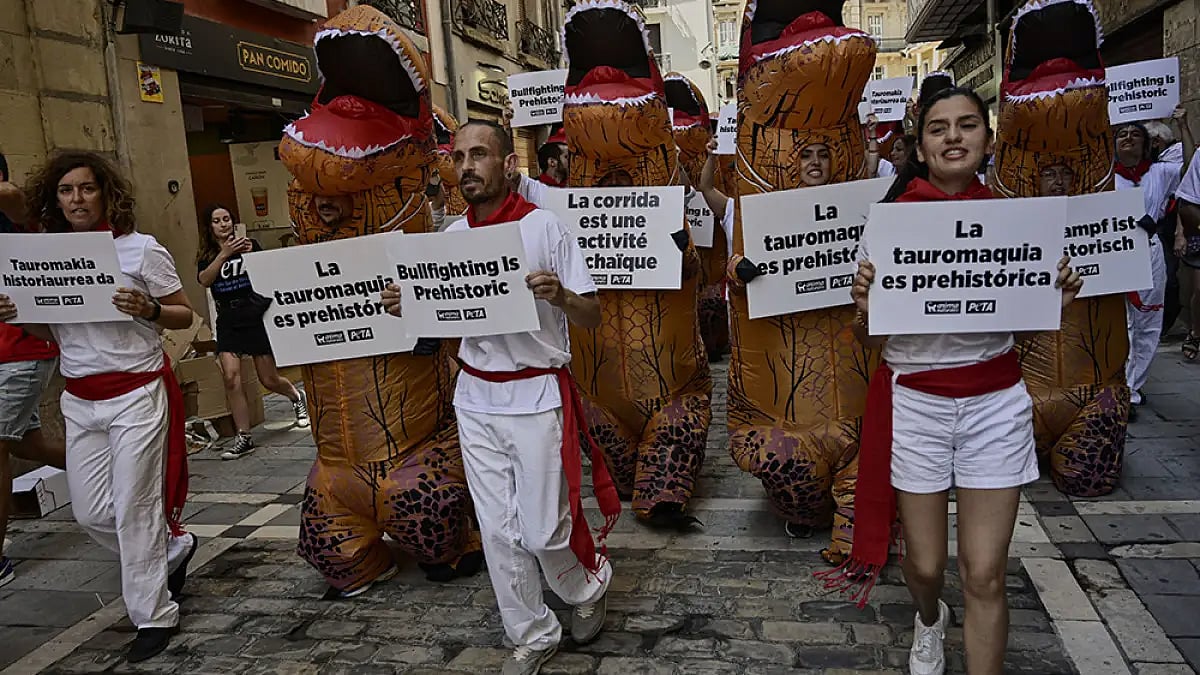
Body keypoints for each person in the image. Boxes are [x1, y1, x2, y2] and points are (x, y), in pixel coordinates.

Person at [846, 88, 1082, 675]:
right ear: (920, 148)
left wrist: (1057, 294)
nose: (953, 137)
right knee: (925, 566)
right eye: (938, 128)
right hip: (917, 407)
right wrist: (864, 309)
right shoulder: (888, 226)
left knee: (984, 571)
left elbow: (1031, 334)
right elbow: (868, 341)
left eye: (968, 125)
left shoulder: (1019, 226)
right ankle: (929, 618)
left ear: (988, 141)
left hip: (995, 406)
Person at [382, 120, 617, 675]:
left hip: (536, 393)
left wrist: (560, 295)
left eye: (479, 154)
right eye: (459, 156)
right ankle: (533, 632)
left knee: (542, 529)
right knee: (497, 529)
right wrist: (407, 306)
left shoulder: (546, 229)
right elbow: (440, 320)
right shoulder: (450, 241)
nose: (466, 166)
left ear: (508, 165)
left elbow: (594, 315)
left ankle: (587, 582)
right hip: (476, 397)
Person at [0, 151, 198, 662]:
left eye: (86, 188)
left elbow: (184, 315)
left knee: (135, 509)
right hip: (79, 398)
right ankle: (172, 549)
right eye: (66, 191)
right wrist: (20, 313)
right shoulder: (47, 257)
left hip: (135, 392)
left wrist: (149, 308)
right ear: (56, 199)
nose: (77, 199)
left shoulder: (140, 250)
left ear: (106, 193)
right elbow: (53, 332)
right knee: (90, 513)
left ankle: (154, 615)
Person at [0, 151, 66, 588]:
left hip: (21, 349)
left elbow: (15, 197)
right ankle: (110, 467)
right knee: (30, 446)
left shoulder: (16, 215)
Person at [196, 204, 308, 459]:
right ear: (210, 227)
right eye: (217, 220)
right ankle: (244, 436)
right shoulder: (208, 254)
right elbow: (204, 280)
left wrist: (254, 255)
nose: (223, 224)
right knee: (231, 378)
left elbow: (268, 275)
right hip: (228, 319)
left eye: (227, 219)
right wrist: (223, 255)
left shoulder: (249, 245)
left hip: (252, 314)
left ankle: (295, 395)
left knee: (268, 379)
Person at [1112, 112, 1188, 409]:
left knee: (1147, 322)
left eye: (1136, 133)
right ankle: (1116, 383)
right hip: (1115, 254)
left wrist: (1183, 126)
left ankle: (1132, 388)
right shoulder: (1104, 177)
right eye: (1122, 134)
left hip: (1149, 249)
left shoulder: (1160, 173)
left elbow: (1193, 168)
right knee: (1121, 322)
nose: (1128, 137)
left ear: (1148, 145)